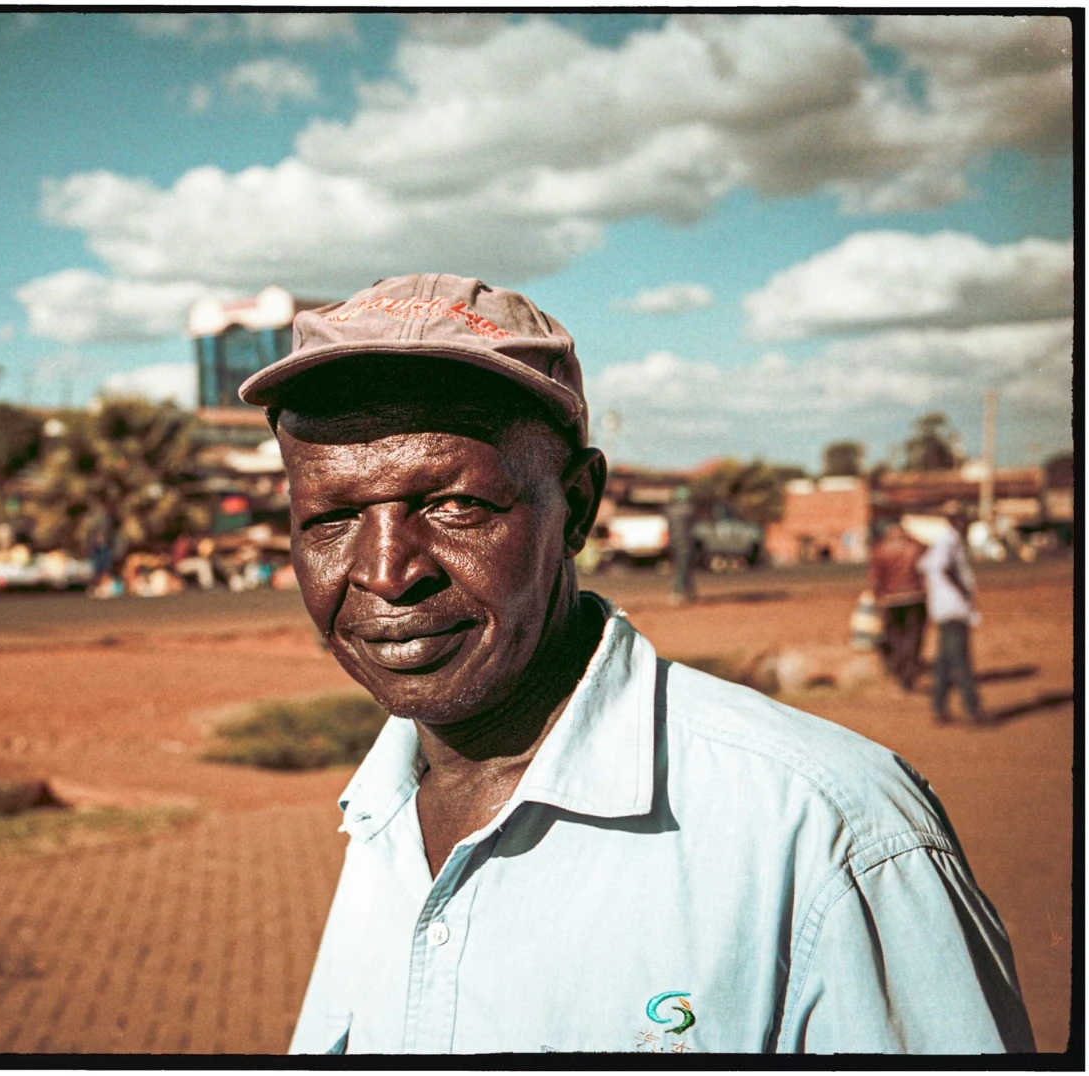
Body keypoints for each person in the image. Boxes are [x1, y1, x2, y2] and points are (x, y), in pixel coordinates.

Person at [238, 273, 1031, 1055]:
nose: (386, 571)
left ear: (578, 506)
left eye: (456, 506)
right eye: (332, 517)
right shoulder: (382, 814)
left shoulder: (826, 835)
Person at [919, 505, 986, 725]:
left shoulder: (945, 541)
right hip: (953, 608)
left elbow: (925, 565)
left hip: (945, 608)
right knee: (960, 659)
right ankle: (972, 709)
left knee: (945, 661)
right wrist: (963, 590)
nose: (966, 524)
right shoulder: (949, 541)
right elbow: (942, 567)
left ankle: (939, 708)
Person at [867, 519, 928, 691]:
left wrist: (877, 597)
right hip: (914, 597)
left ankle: (898, 669)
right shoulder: (914, 548)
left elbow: (875, 578)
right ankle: (908, 674)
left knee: (895, 636)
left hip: (891, 600)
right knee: (912, 638)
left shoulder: (880, 550)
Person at [664, 484, 697, 604]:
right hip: (685, 543)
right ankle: (677, 592)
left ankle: (690, 591)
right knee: (683, 568)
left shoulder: (670, 509)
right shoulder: (689, 509)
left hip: (673, 542)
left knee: (681, 567)